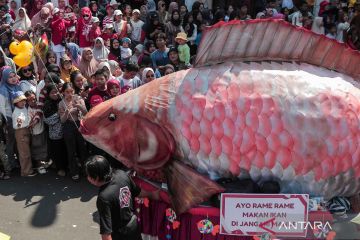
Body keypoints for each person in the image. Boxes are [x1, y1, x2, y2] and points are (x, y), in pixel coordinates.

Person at [85, 155, 159, 240]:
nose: (87, 178)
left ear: (96, 178)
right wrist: (156, 194)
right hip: (133, 227)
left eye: (88, 175)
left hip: (120, 234)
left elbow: (106, 234)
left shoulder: (103, 198)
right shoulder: (121, 174)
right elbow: (138, 192)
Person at [58, 82, 88, 181]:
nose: (70, 94)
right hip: (68, 126)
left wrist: (78, 106)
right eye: (67, 92)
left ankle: (86, 170)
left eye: (71, 91)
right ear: (63, 92)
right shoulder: (61, 103)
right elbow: (62, 120)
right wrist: (67, 112)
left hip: (79, 124)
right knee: (71, 151)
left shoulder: (78, 99)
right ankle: (74, 172)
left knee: (82, 148)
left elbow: (86, 112)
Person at [12, 91, 37, 177]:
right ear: (15, 102)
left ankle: (28, 168)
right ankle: (26, 171)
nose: (23, 102)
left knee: (27, 151)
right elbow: (18, 125)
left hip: (26, 130)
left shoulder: (23, 108)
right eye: (20, 101)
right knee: (24, 153)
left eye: (24, 100)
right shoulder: (16, 111)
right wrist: (21, 121)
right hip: (21, 132)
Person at [25, 90, 50, 174]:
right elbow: (29, 123)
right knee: (37, 150)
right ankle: (39, 166)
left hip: (42, 130)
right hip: (34, 133)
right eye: (29, 100)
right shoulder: (28, 110)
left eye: (34, 99)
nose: (32, 101)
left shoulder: (39, 106)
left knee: (43, 148)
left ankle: (42, 164)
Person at [0, 67, 21, 170]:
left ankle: (20, 161)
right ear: (4, 78)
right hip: (9, 119)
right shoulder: (3, 90)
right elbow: (1, 107)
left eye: (14, 76)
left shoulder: (17, 87)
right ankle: (11, 163)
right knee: (11, 142)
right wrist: (5, 122)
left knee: (19, 140)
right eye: (10, 77)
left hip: (19, 117)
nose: (13, 79)